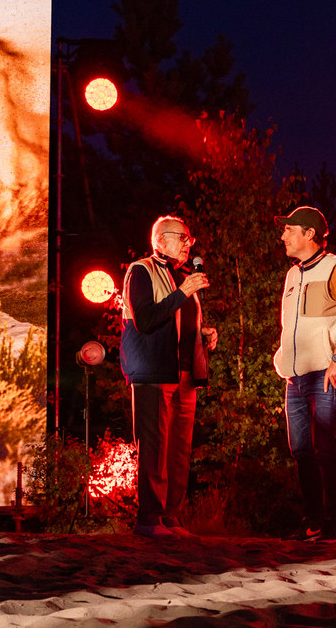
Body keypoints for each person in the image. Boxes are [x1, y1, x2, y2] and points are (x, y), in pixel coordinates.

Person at [120, 215, 218, 539]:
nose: (190, 243)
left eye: (190, 238)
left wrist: (203, 333)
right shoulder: (140, 271)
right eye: (183, 237)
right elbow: (145, 319)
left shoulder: (183, 276)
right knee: (154, 446)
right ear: (160, 240)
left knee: (179, 449)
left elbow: (179, 320)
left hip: (185, 373)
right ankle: (149, 520)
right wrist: (183, 291)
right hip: (153, 372)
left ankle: (171, 519)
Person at [273, 206, 336, 542]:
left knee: (327, 448)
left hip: (326, 372)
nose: (283, 236)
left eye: (289, 229)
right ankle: (312, 522)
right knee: (300, 450)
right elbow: (291, 326)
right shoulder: (292, 275)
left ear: (309, 233)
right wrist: (282, 358)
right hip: (295, 377)